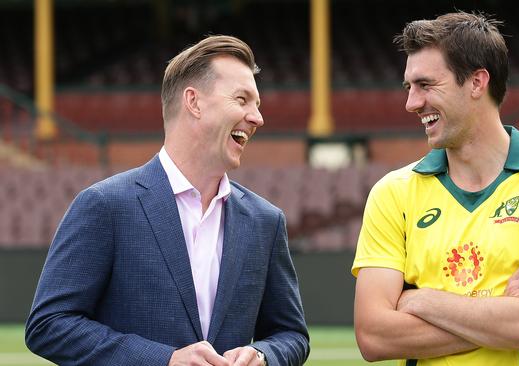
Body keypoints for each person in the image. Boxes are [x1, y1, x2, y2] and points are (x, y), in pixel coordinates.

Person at [25, 35, 309, 366]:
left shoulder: (265, 221)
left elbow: (291, 335)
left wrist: (264, 355)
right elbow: (48, 325)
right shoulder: (105, 205)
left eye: (257, 104)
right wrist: (164, 360)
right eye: (242, 99)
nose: (257, 118)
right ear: (194, 102)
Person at [352, 12, 519, 366]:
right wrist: (503, 311)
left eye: (425, 85)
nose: (412, 103)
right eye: (409, 87)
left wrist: (422, 301)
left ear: (476, 82)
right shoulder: (391, 192)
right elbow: (373, 336)